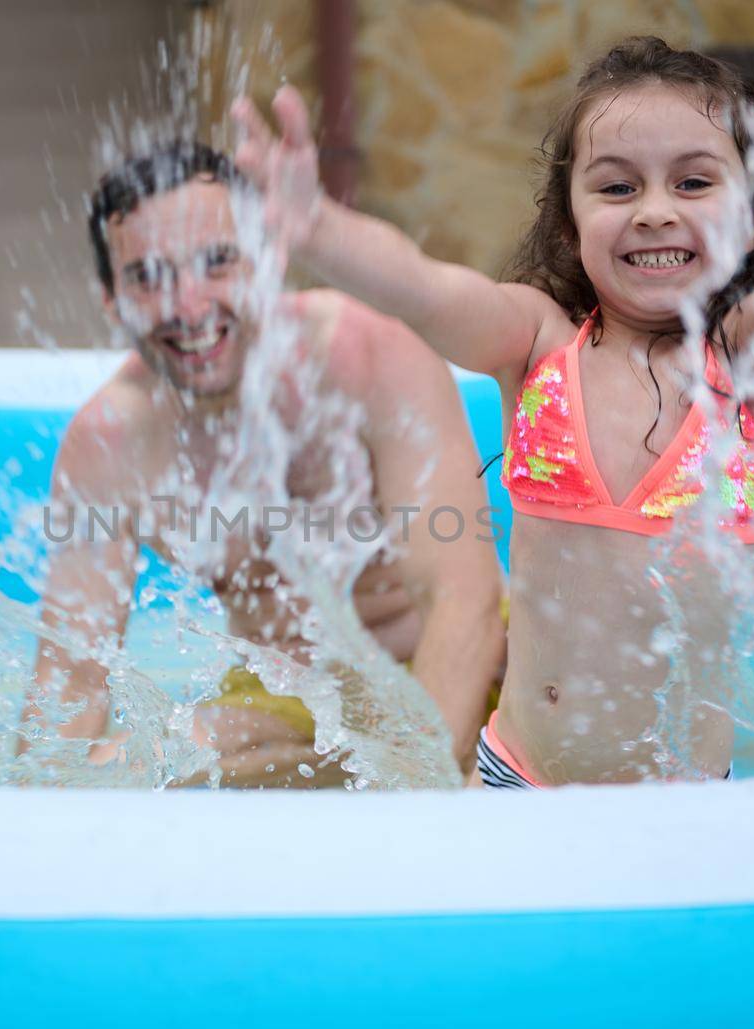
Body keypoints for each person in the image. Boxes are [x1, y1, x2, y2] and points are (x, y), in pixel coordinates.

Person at [232, 33, 754, 786]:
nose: (654, 212)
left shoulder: (751, 364)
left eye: (693, 183)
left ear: (752, 219)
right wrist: (317, 226)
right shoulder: (537, 342)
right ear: (570, 226)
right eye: (617, 188)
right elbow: (426, 289)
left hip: (684, 804)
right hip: (522, 777)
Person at [25, 142, 504, 787]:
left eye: (217, 262)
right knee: (121, 777)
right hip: (291, 699)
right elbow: (72, 678)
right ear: (112, 301)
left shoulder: (368, 361)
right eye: (148, 276)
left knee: (496, 773)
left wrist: (418, 798)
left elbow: (459, 599)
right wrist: (32, 814)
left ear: (270, 258)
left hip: (470, 670)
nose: (188, 305)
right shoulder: (113, 442)